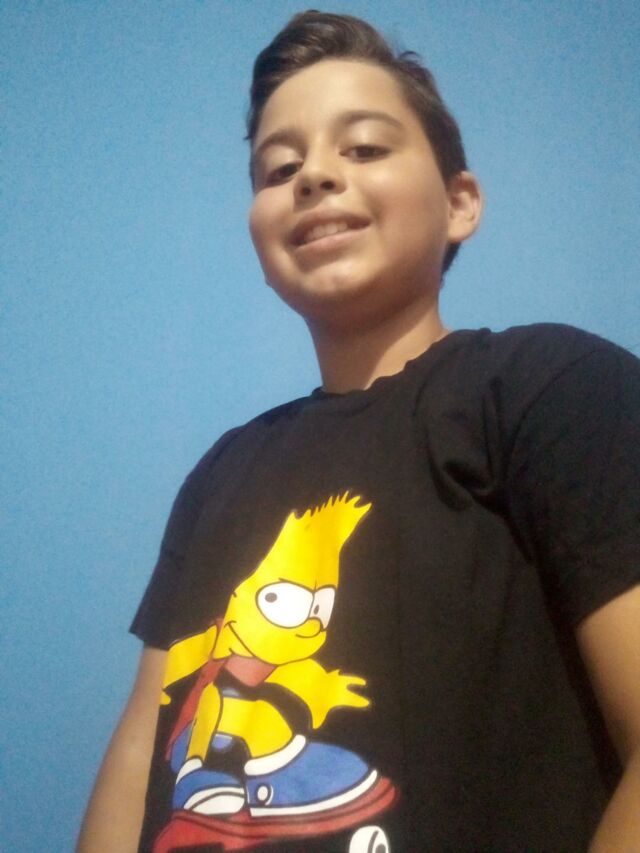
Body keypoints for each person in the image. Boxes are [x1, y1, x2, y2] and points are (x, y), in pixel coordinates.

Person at [77, 10, 640, 853]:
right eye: (280, 167)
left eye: (365, 147)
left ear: (460, 203)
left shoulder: (549, 389)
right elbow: (140, 748)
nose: (314, 175)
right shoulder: (222, 472)